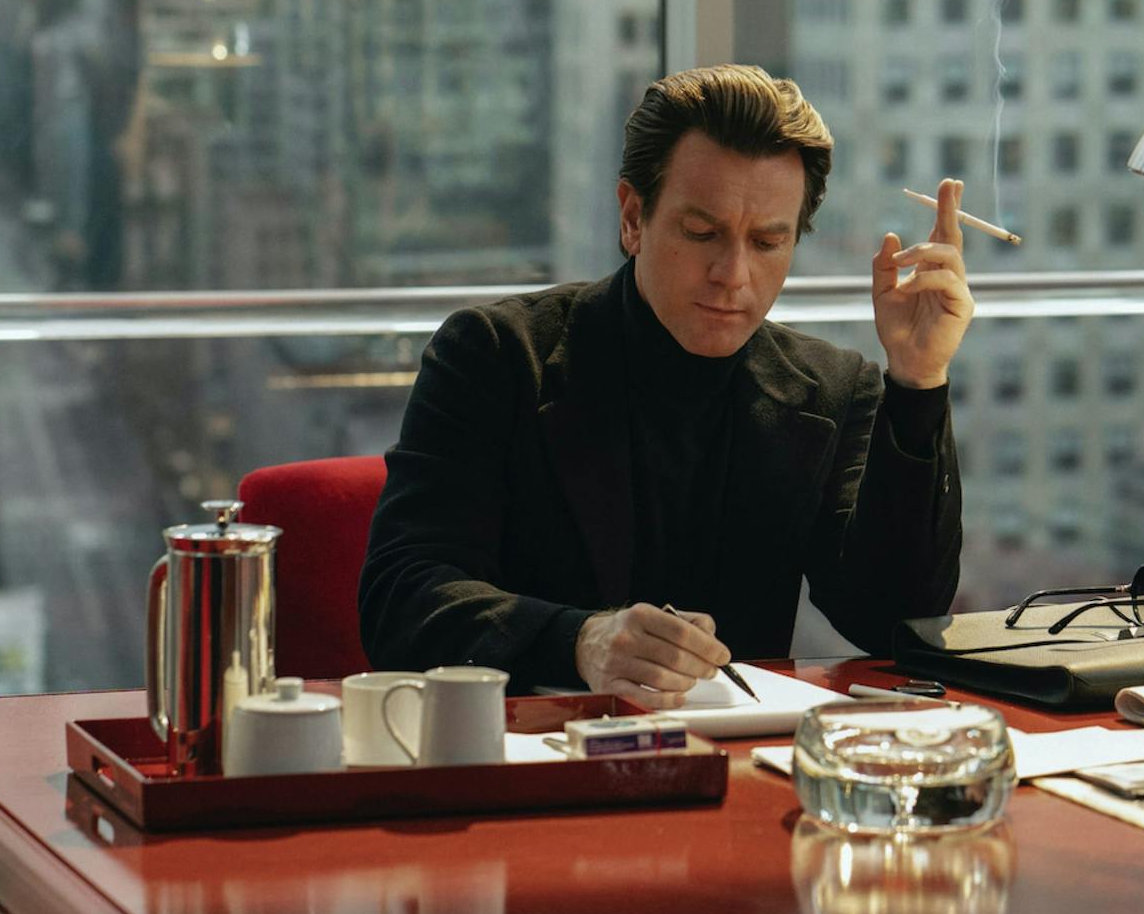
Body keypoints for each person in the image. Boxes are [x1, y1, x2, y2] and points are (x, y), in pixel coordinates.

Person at [358, 64, 974, 707]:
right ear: (633, 217)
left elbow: (892, 621)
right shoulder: (495, 354)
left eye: (768, 242)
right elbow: (402, 597)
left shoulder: (832, 389)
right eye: (701, 233)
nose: (732, 274)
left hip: (738, 767)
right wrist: (580, 641)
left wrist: (918, 379)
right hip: (532, 757)